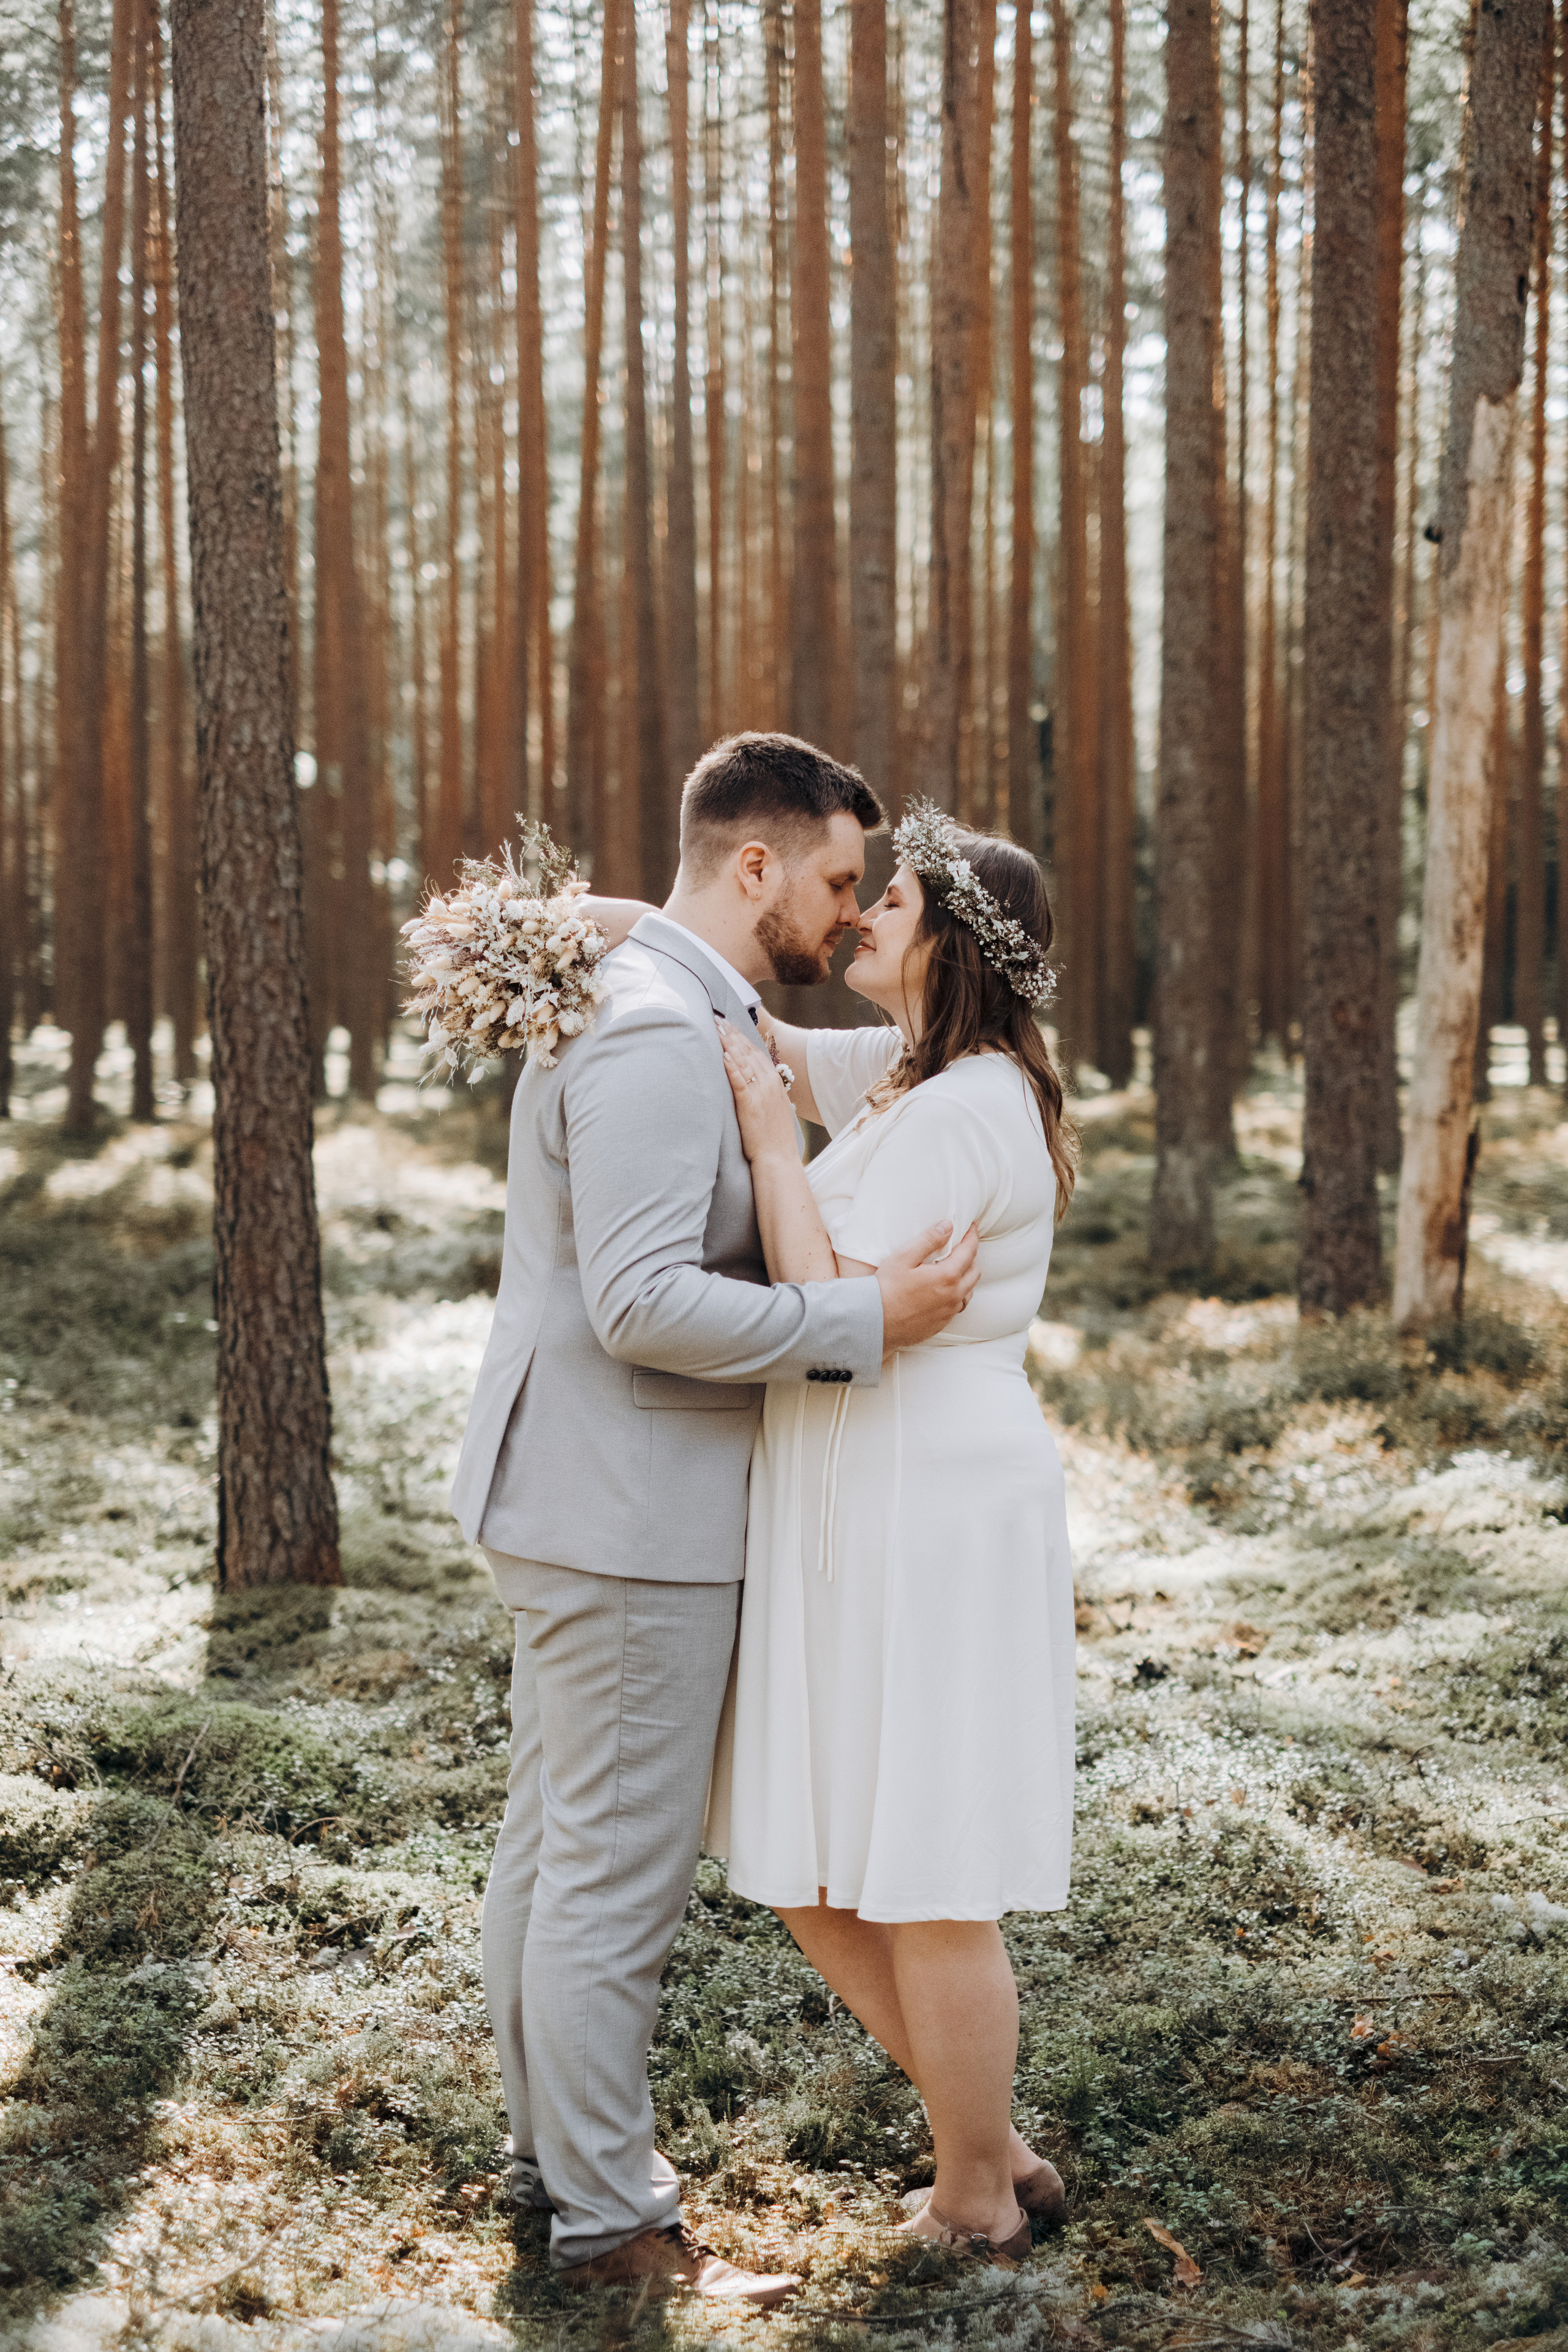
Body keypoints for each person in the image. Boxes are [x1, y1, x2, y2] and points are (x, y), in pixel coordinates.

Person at [450, 734, 979, 2305]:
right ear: (753, 865)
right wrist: (858, 1317)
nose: (844, 910)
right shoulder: (649, 1032)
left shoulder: (700, 1000)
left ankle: (559, 2171)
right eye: (829, 879)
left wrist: (631, 916)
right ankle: (614, 2230)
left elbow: (874, 1066)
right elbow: (636, 1303)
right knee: (611, 1878)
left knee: (555, 1856)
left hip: (590, 1495)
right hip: (626, 1506)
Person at [706, 801, 1079, 2269]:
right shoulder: (900, 1073)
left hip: (927, 1496)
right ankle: (997, 2146)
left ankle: (973, 2199)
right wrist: (579, 930)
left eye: (893, 901)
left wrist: (758, 1141)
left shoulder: (974, 1102)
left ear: (955, 941)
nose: (859, 918)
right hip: (853, 1496)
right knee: (807, 1864)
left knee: (923, 1863)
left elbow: (826, 1298)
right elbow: (745, 1010)